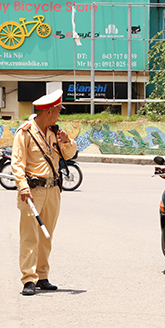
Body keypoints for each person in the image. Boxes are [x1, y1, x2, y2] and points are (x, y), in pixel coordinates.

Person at [11, 89, 77, 296]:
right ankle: (28, 279)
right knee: (30, 236)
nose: (59, 115)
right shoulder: (25, 132)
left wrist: (66, 140)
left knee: (46, 235)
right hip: (32, 191)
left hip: (53, 190)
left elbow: (69, 154)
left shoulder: (54, 133)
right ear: (48, 111)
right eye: (58, 111)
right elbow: (17, 163)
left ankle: (42, 276)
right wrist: (22, 186)